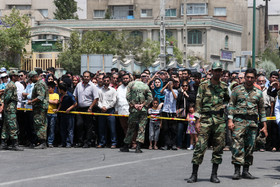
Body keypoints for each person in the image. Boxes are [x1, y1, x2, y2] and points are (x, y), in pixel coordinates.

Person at [187, 62, 229, 183]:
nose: (217, 73)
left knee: (218, 148)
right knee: (200, 147)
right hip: (205, 119)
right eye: (215, 70)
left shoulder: (224, 86)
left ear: (221, 72)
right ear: (211, 71)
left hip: (219, 121)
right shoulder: (204, 85)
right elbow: (198, 103)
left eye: (219, 71)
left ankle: (214, 174)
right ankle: (194, 174)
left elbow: (227, 99)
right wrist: (197, 121)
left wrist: (224, 107)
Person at [228, 68, 268, 180]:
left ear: (255, 79)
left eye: (252, 77)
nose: (249, 79)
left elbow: (262, 110)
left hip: (252, 123)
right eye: (247, 77)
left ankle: (246, 171)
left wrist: (264, 126)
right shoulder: (236, 90)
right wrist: (230, 120)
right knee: (237, 146)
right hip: (238, 122)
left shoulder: (258, 93)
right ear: (245, 77)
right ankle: (237, 171)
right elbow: (231, 106)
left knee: (250, 147)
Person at [120, 72, 153, 153]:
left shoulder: (131, 84)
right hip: (143, 110)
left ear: (133, 76)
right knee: (141, 128)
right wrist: (143, 104)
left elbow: (127, 96)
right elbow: (150, 98)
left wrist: (133, 105)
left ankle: (126, 145)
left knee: (131, 127)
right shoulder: (145, 85)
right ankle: (138, 147)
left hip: (134, 110)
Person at [73, 71, 99, 148]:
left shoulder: (93, 86)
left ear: (90, 77)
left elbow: (96, 98)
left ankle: (87, 142)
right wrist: (76, 104)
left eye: (87, 76)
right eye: (85, 76)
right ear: (82, 77)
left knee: (88, 126)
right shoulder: (79, 85)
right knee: (79, 124)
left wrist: (91, 107)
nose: (86, 78)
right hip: (80, 108)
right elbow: (75, 95)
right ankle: (80, 141)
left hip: (88, 108)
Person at [0, 70, 23, 151]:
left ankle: (3, 143)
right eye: (17, 76)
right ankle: (14, 144)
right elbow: (7, 97)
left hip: (8, 108)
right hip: (10, 108)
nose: (18, 77)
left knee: (5, 126)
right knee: (13, 125)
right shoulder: (12, 85)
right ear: (13, 76)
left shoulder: (10, 85)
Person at [28, 70, 49, 149]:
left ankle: (42, 142)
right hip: (39, 107)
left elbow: (40, 97)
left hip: (40, 108)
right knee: (39, 123)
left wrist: (31, 102)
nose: (30, 80)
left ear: (34, 77)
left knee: (40, 124)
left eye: (31, 79)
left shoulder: (40, 84)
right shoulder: (38, 83)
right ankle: (41, 141)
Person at [97, 75, 117, 148]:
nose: (106, 82)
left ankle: (113, 143)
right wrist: (101, 107)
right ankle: (102, 142)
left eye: (107, 81)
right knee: (101, 128)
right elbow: (98, 101)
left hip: (110, 110)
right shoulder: (100, 91)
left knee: (112, 128)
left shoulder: (113, 90)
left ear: (110, 81)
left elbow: (114, 101)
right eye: (104, 80)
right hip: (102, 111)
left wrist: (107, 107)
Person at [54, 83, 77, 148]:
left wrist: (69, 109)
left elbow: (75, 103)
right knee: (62, 129)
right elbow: (60, 103)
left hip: (69, 114)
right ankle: (63, 142)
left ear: (61, 89)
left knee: (69, 129)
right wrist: (58, 109)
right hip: (63, 114)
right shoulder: (61, 95)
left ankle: (69, 142)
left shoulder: (69, 95)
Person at [160, 78, 178, 150]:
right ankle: (166, 144)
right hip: (165, 111)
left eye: (171, 84)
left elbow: (175, 97)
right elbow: (161, 91)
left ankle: (173, 144)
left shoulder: (176, 91)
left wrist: (172, 89)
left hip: (172, 111)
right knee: (165, 129)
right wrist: (167, 85)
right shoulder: (166, 91)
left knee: (173, 129)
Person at [47, 81, 59, 148]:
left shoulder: (56, 95)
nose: (48, 89)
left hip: (52, 114)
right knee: (46, 128)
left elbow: (55, 102)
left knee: (52, 129)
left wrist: (48, 100)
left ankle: (50, 142)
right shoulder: (46, 95)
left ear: (53, 88)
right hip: (46, 113)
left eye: (49, 88)